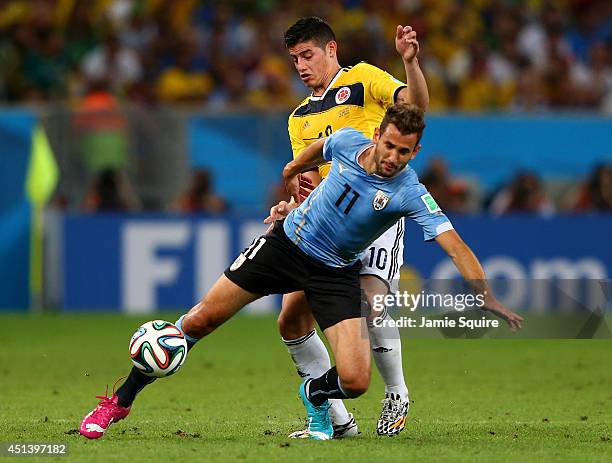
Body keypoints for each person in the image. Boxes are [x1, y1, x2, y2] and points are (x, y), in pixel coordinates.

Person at [79, 103, 523, 441]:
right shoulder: (349, 141)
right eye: (389, 146)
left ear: (415, 151)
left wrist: (486, 295)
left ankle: (314, 394)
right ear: (377, 135)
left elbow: (455, 244)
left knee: (355, 380)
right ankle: (119, 402)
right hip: (284, 246)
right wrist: (292, 172)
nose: (393, 158)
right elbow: (314, 152)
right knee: (198, 321)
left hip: (334, 272)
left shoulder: (409, 191)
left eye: (404, 152)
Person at [280, 16, 429, 437]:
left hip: (377, 209)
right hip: (328, 225)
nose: (301, 66)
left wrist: (410, 64)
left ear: (331, 49)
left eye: (307, 55)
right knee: (293, 317)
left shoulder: (362, 80)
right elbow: (306, 181)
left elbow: (415, 108)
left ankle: (396, 392)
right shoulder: (298, 118)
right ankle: (337, 420)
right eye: (294, 59)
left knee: (371, 297)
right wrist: (291, 202)